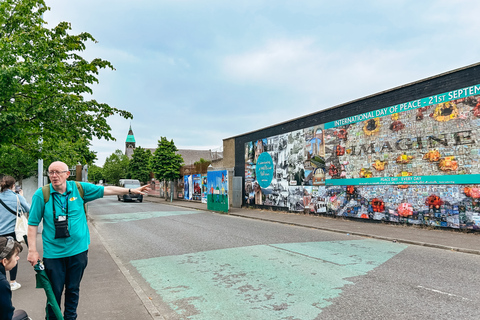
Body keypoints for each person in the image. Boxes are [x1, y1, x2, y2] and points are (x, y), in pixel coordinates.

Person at [27, 161, 150, 320]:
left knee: (73, 289)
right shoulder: (41, 195)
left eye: (57, 172)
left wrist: (132, 189)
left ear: (67, 174)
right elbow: (32, 224)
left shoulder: (79, 189)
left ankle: (71, 318)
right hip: (54, 254)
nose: (54, 176)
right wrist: (32, 250)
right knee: (54, 293)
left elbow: (107, 189)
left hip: (78, 252)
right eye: (51, 172)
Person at [0, 176, 30, 291]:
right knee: (12, 256)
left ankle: (2, 280)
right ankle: (12, 282)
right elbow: (28, 209)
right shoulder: (17, 197)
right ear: (13, 186)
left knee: (0, 257)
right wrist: (21, 197)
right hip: (12, 233)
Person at [0, 236, 30, 320]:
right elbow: (6, 314)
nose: (18, 258)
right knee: (22, 315)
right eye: (16, 255)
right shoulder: (2, 283)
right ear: (4, 261)